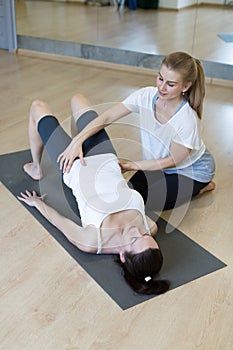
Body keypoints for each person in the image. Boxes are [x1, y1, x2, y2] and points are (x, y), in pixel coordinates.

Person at [18, 98, 170, 296]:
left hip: (70, 163)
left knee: (38, 106)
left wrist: (37, 203)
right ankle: (78, 139)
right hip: (105, 155)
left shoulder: (92, 241)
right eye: (146, 236)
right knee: (77, 100)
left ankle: (36, 167)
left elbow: (59, 222)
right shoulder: (150, 227)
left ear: (122, 255)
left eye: (134, 239)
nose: (138, 230)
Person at [59, 51, 216, 212]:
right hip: (162, 163)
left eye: (170, 84)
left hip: (192, 170)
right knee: (129, 192)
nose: (161, 88)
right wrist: (77, 140)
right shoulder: (145, 96)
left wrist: (130, 165)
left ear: (186, 86)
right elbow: (107, 117)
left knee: (143, 202)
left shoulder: (187, 120)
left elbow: (171, 161)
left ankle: (201, 187)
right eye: (160, 78)